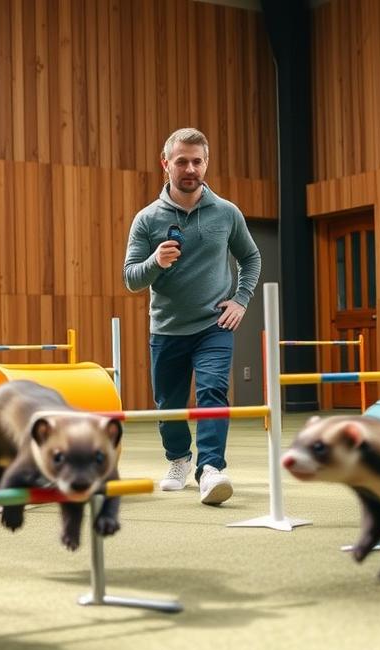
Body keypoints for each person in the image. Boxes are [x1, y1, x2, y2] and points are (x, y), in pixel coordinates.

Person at [123, 128, 261, 506]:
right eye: (181, 161)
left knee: (212, 390)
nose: (190, 169)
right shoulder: (147, 219)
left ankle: (211, 468)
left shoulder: (226, 213)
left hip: (213, 324)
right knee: (168, 404)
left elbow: (250, 258)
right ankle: (179, 459)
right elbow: (131, 278)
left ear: (206, 163)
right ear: (165, 164)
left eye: (197, 161)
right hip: (167, 328)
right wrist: (156, 261)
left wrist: (240, 300)